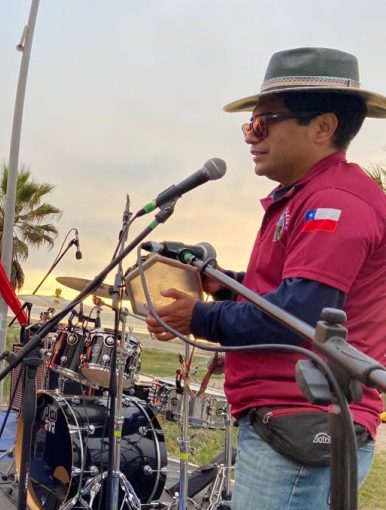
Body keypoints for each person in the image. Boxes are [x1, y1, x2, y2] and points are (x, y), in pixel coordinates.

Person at [145, 47, 386, 509]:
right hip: (289, 421)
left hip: (305, 425)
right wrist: (224, 281)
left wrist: (199, 317)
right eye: (249, 126)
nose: (251, 137)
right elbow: (292, 292)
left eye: (264, 122)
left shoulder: (334, 203)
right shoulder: (309, 196)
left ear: (323, 127)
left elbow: (297, 316)